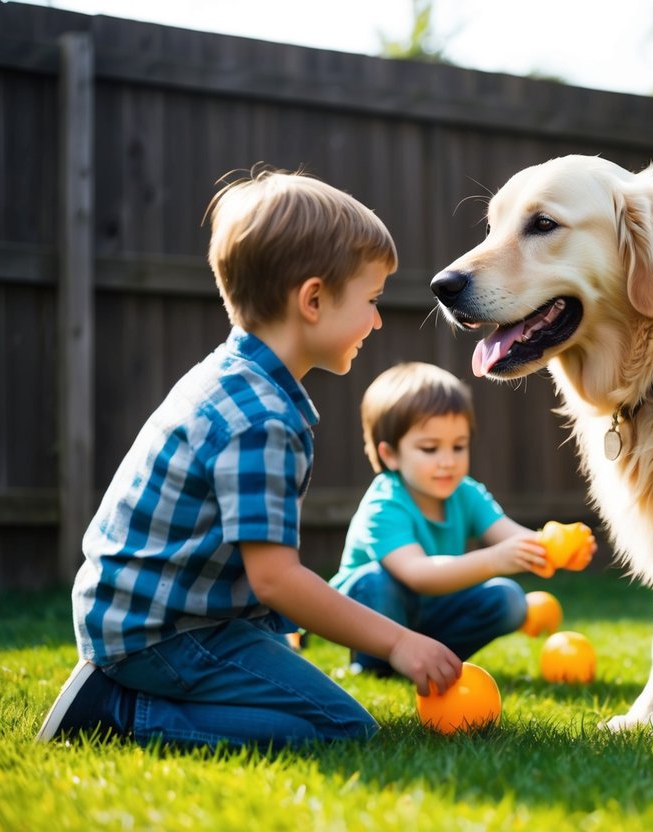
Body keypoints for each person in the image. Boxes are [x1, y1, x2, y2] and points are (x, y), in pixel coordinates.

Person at [37, 168, 463, 749]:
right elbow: (275, 578)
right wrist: (398, 642)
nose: (378, 319)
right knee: (343, 730)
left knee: (321, 717)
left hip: (157, 613)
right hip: (160, 633)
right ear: (313, 300)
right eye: (372, 299)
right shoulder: (261, 418)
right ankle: (118, 710)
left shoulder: (233, 379)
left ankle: (138, 694)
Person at [330, 361, 595, 675]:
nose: (447, 462)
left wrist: (554, 548)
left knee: (508, 598)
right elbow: (416, 573)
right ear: (390, 455)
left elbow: (510, 535)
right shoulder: (384, 503)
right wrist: (494, 560)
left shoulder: (465, 493)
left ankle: (433, 656)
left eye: (458, 446)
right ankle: (373, 664)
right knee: (375, 582)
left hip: (434, 609)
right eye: (429, 449)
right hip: (377, 610)